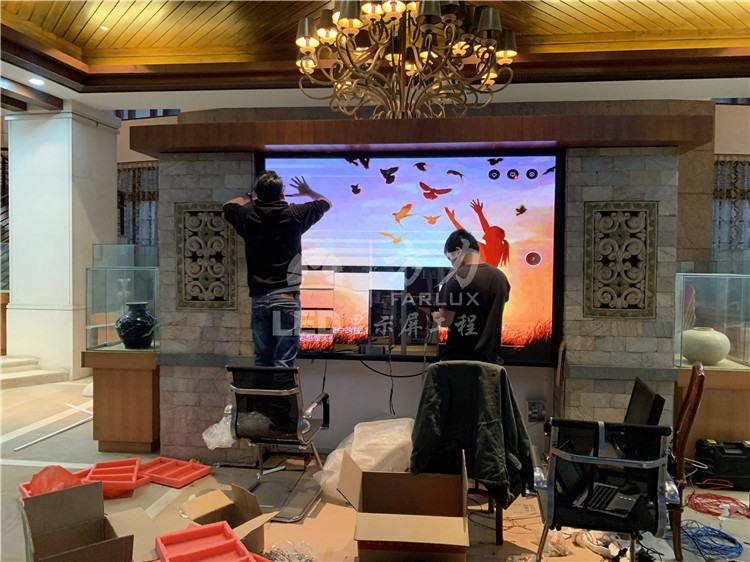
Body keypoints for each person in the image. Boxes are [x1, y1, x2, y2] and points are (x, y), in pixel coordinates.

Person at [223, 171, 332, 368]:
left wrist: (250, 196)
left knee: (262, 360)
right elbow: (326, 203)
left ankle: (262, 391)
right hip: (286, 299)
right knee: (285, 362)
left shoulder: (247, 215)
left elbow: (227, 206)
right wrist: (308, 191)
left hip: (259, 299)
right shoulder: (295, 214)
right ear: (282, 194)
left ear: (258, 194)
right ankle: (282, 390)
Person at [431, 229, 510, 364]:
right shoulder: (500, 277)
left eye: (450, 259)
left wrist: (432, 312)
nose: (452, 264)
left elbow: (445, 321)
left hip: (459, 362)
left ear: (458, 250)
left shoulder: (456, 277)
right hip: (491, 363)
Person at [445, 199, 510, 267]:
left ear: (497, 237)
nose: (487, 233)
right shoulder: (483, 247)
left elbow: (485, 229)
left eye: (490, 231)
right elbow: (464, 233)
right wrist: (453, 220)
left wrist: (479, 213)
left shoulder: (497, 245)